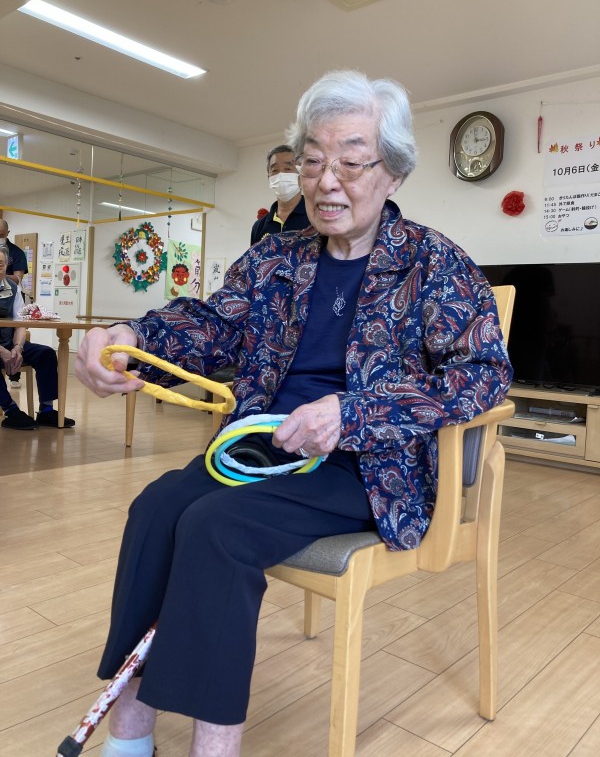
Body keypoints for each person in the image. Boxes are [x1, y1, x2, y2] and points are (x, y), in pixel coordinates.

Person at [75, 69, 512, 757]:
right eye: (311, 161)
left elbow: (484, 375)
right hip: (261, 448)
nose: (326, 181)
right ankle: (130, 738)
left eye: (350, 163)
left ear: (393, 173)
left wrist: (352, 413)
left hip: (367, 468)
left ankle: (213, 748)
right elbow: (213, 324)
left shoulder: (435, 263)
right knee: (156, 508)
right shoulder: (276, 257)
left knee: (217, 528)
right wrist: (132, 337)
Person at [0, 246, 76, 430]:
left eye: (0, 264)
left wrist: (17, 348)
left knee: (46, 354)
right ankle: (11, 410)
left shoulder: (13, 288)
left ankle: (47, 410)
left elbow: (20, 322)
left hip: (9, 342)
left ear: (6, 267)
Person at [249, 144, 312, 245]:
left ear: (302, 175)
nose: (281, 175)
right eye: (275, 170)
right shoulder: (259, 227)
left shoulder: (316, 218)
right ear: (269, 178)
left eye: (288, 169)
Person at [0, 218, 28, 388]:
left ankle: (14, 375)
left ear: (7, 234)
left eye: (1, 235)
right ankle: (8, 403)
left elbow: (18, 278)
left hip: (9, 292)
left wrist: (18, 347)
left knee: (45, 354)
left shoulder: (17, 252)